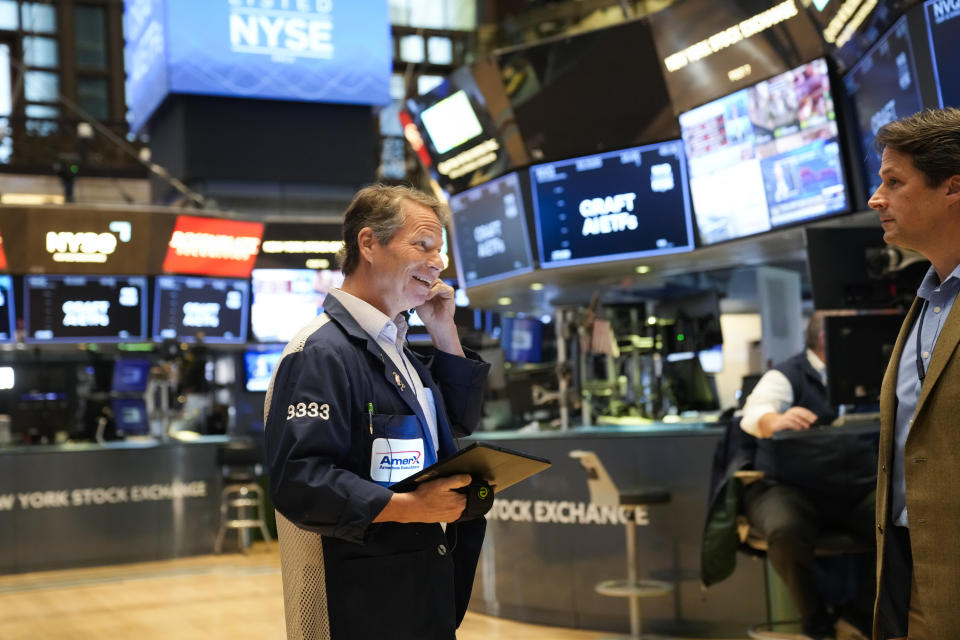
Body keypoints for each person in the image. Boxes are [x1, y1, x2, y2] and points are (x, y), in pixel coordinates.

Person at [263, 185, 490, 640]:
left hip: (418, 591)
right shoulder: (321, 353)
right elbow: (301, 480)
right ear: (368, 244)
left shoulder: (396, 348)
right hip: (356, 605)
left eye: (439, 250)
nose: (437, 261)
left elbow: (456, 424)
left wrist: (444, 332)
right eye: (422, 245)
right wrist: (409, 508)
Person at [868, 107, 960, 640]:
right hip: (907, 567)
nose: (876, 198)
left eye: (894, 181)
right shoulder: (926, 301)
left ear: (953, 189)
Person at [740, 313, 876, 640]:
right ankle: (814, 618)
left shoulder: (872, 373)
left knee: (903, 523)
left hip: (857, 488)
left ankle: (862, 611)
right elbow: (755, 412)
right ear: (828, 338)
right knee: (786, 529)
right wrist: (776, 420)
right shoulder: (788, 374)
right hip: (788, 487)